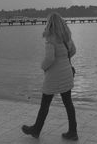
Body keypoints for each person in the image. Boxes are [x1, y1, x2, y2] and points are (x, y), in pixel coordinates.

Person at [21, 12, 78, 140]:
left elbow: (49, 59)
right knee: (68, 103)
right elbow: (73, 51)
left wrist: (43, 67)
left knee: (45, 104)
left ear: (50, 23)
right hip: (67, 74)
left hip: (54, 76)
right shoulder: (67, 36)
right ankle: (73, 132)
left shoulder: (50, 38)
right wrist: (63, 58)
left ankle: (36, 129)